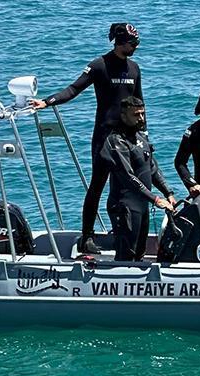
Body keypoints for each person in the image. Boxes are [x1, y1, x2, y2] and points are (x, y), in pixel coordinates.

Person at [30, 23, 144, 253]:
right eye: (133, 43)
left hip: (129, 138)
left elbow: (140, 103)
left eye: (137, 43)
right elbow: (73, 90)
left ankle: (121, 229)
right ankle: (87, 236)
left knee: (125, 186)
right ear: (119, 42)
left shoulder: (134, 68)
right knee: (97, 186)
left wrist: (144, 134)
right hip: (105, 136)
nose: (135, 47)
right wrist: (47, 102)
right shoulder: (99, 65)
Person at [99, 97, 175, 261]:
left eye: (142, 114)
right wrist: (155, 199)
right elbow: (128, 177)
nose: (141, 118)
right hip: (124, 206)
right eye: (136, 115)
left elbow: (152, 168)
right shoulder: (116, 141)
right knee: (126, 255)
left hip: (142, 205)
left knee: (140, 252)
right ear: (123, 116)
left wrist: (168, 192)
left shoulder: (141, 138)